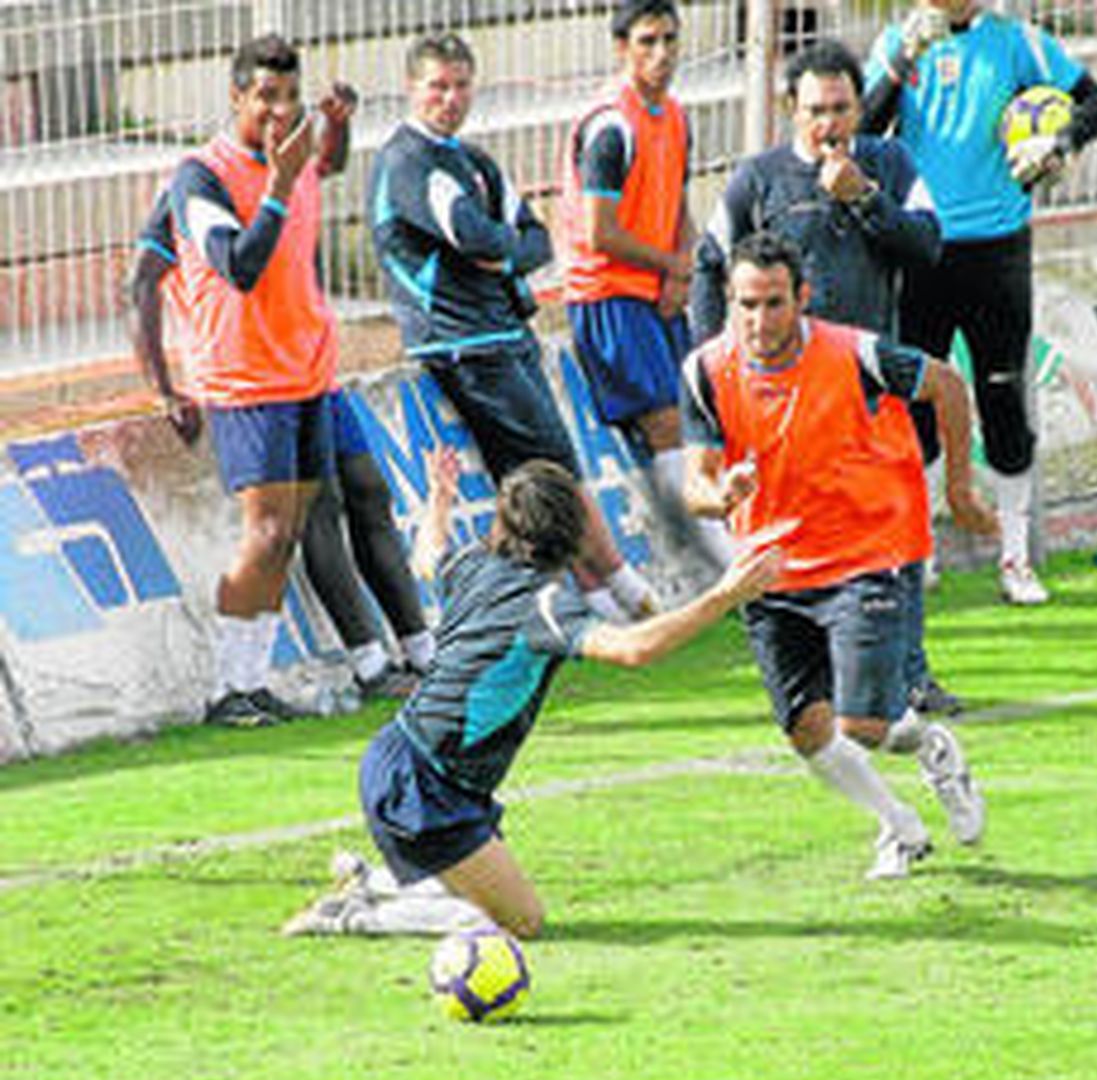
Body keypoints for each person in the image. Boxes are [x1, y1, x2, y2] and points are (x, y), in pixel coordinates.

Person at [287, 447, 782, 938]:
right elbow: (634, 648)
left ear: (504, 524)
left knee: (472, 893)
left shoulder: (475, 564)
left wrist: (439, 498)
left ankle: (370, 881)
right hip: (424, 782)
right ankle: (355, 915)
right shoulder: (545, 605)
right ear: (573, 533)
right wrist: (726, 595)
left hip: (407, 763)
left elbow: (425, 558)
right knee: (518, 921)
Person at [682, 232, 996, 879]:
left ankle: (926, 748)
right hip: (770, 567)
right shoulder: (705, 372)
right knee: (806, 731)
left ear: (802, 297)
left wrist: (960, 488)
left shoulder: (857, 354)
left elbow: (947, 386)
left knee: (860, 725)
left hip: (868, 552)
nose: (758, 321)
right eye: (746, 304)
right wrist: (723, 494)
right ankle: (901, 823)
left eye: (773, 303)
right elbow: (694, 486)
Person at [690, 37, 959, 717]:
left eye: (842, 109)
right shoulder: (759, 178)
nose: (830, 124)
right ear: (791, 109)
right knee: (795, 527)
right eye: (816, 110)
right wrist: (714, 359)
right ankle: (817, 677)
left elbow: (929, 244)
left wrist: (867, 199)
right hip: (780, 390)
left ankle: (911, 673)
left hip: (867, 383)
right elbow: (709, 262)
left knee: (890, 521)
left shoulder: (890, 163)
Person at [368, 31, 657, 623]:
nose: (450, 99)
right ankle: (628, 592)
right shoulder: (407, 160)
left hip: (502, 332)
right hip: (463, 342)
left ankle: (587, 597)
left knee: (532, 477)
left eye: (460, 86)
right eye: (437, 87)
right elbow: (472, 234)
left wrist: (500, 254)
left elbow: (536, 241)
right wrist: (502, 248)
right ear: (410, 89)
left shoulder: (472, 161)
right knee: (553, 466)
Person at [126, 35, 355, 726]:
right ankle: (226, 689)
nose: (280, 111)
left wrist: (336, 131)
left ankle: (251, 682)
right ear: (237, 97)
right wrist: (281, 183)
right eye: (265, 98)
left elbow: (328, 166)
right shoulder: (202, 176)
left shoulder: (297, 152)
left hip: (306, 368)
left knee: (287, 534)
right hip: (246, 377)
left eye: (289, 97)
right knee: (264, 532)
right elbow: (238, 266)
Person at [130, 191, 433, 703]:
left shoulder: (291, 182)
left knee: (367, 488)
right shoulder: (196, 185)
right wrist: (163, 386)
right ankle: (364, 665)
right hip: (252, 382)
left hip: (310, 374)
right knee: (307, 512)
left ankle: (422, 650)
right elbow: (142, 282)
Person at [862, 0, 1097, 605]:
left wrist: (1059, 140)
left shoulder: (1017, 43)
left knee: (1002, 399)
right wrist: (902, 61)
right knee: (915, 400)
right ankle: (917, 551)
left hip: (999, 248)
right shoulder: (899, 41)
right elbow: (865, 133)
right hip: (922, 245)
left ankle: (1015, 556)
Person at [562, 0, 732, 569]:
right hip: (607, 294)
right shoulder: (610, 126)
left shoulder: (676, 115)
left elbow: (679, 201)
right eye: (646, 42)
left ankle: (716, 548)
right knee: (664, 418)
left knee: (693, 411)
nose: (661, 54)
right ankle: (717, 565)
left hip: (656, 285)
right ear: (621, 48)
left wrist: (680, 265)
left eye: (668, 40)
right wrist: (671, 265)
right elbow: (597, 232)